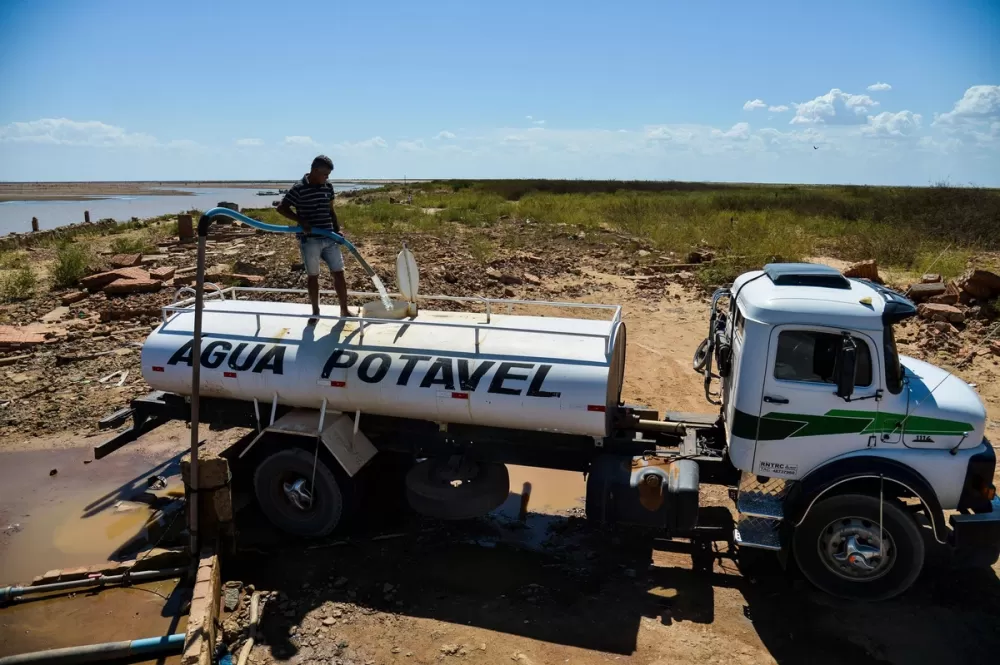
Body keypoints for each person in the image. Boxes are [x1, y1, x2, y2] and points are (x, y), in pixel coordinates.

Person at [276, 155, 350, 321]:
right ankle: (315, 312)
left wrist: (337, 231)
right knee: (313, 275)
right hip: (310, 240)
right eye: (325, 174)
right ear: (315, 171)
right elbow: (281, 208)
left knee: (339, 273)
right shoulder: (299, 188)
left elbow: (331, 210)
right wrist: (300, 221)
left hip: (329, 237)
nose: (327, 178)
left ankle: (344, 310)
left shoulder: (328, 186)